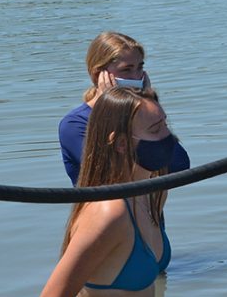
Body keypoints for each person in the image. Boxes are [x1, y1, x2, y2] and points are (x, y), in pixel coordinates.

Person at [21, 87, 175, 297]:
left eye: (166, 125)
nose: (168, 137)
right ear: (120, 144)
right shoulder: (108, 213)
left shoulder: (151, 192)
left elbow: (143, 287)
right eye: (155, 130)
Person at [60, 32, 189, 185]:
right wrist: (113, 108)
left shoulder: (145, 113)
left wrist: (149, 104)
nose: (136, 77)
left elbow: (179, 166)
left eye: (140, 68)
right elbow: (113, 176)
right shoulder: (74, 124)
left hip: (144, 208)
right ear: (98, 75)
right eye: (126, 70)